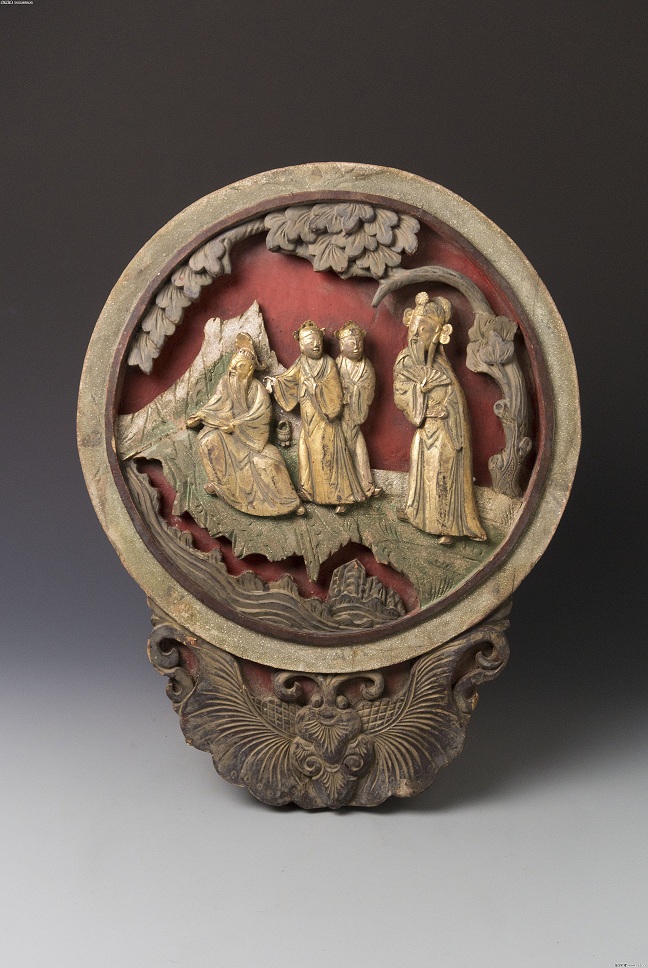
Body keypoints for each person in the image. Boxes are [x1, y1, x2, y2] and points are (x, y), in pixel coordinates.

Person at [393, 292, 486, 545]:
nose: (415, 335)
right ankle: (417, 515)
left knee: (442, 473)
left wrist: (447, 410)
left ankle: (447, 526)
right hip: (425, 426)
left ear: (438, 334)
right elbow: (401, 393)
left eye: (423, 330)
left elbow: (455, 398)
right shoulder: (405, 360)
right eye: (414, 329)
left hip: (445, 428)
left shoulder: (441, 364)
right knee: (421, 472)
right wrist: (419, 392)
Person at [187, 333, 304, 517]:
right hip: (228, 435)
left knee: (269, 462)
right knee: (207, 440)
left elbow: (262, 417)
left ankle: (290, 503)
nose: (233, 369)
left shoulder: (257, 389)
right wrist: (201, 416)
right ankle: (220, 484)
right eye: (232, 365)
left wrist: (236, 425)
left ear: (250, 369)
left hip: (252, 439)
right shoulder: (225, 383)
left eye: (239, 366)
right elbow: (215, 405)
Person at [266, 321, 365, 514]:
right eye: (310, 342)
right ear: (301, 346)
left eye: (318, 340)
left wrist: (316, 388)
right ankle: (309, 491)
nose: (316, 345)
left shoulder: (328, 363)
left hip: (326, 419)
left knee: (328, 455)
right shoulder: (302, 362)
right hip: (309, 418)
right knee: (306, 453)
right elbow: (288, 379)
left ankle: (340, 497)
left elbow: (335, 393)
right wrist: (275, 383)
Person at [334, 321, 381, 498]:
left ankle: (366, 486)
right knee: (341, 450)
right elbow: (331, 388)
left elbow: (369, 389)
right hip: (340, 416)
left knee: (358, 446)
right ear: (342, 345)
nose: (357, 347)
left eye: (360, 343)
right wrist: (341, 396)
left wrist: (354, 391)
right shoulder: (336, 365)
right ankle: (343, 491)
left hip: (355, 412)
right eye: (352, 343)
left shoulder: (366, 367)